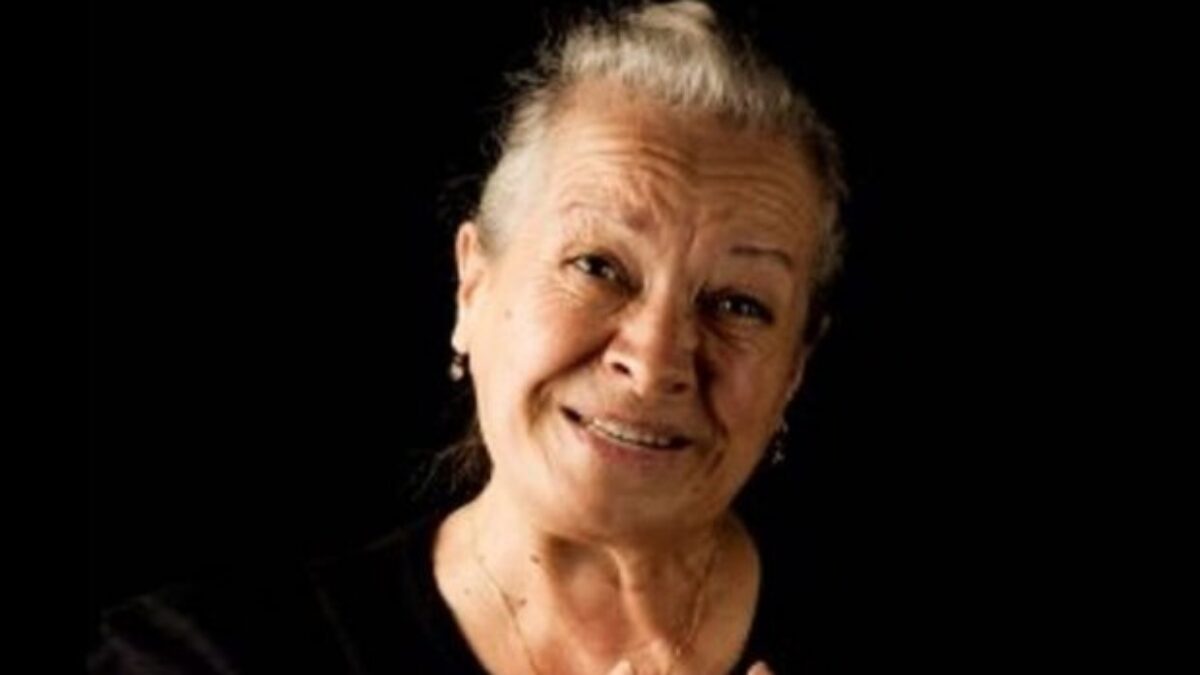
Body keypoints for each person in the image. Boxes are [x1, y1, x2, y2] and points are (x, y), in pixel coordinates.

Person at [89, 1, 847, 673]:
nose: (652, 362)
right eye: (598, 266)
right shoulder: (208, 653)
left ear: (793, 370)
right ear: (473, 287)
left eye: (739, 304)